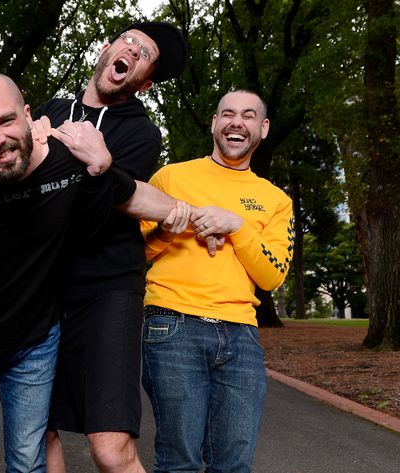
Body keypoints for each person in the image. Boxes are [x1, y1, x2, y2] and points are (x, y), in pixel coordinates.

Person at [0, 72, 181, 473]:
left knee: (27, 460)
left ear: (29, 117)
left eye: (6, 121)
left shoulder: (69, 162)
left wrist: (189, 213)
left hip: (35, 345)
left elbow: (131, 195)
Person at [29, 22, 188, 473]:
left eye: (145, 55)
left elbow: (103, 208)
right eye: (130, 42)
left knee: (110, 448)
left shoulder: (141, 132)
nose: (133, 52)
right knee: (37, 432)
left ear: (146, 80)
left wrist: (100, 165)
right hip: (43, 288)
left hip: (108, 289)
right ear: (107, 48)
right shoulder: (52, 109)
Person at [139, 90, 294, 473]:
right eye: (227, 114)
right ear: (214, 123)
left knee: (234, 465)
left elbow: (271, 275)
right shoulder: (171, 176)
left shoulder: (275, 199)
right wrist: (168, 231)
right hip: (172, 326)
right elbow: (135, 253)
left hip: (241, 338)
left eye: (247, 115)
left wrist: (236, 226)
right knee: (179, 462)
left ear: (263, 128)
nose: (236, 122)